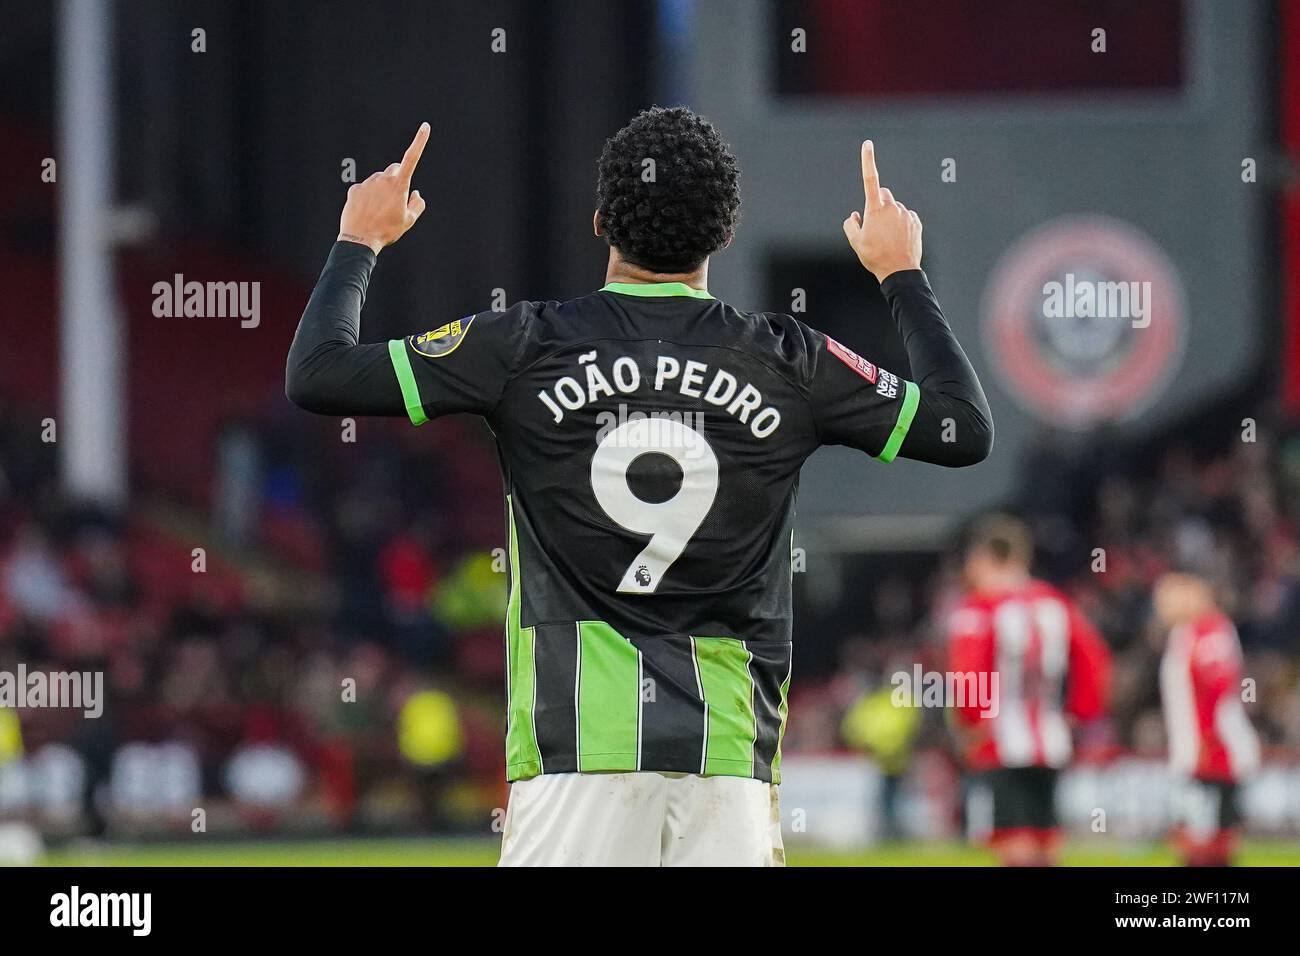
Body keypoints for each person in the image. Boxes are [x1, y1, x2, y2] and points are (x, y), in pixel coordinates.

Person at [285, 106, 993, 866]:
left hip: (574, 762)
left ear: (600, 221)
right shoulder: (789, 361)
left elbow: (319, 375)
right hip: (725, 765)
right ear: (725, 232)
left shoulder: (523, 345)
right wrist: (901, 275)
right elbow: (962, 427)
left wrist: (359, 240)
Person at [947, 515, 1110, 866]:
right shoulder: (1054, 602)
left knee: (1013, 838)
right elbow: (1095, 660)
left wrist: (971, 722)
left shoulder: (979, 607)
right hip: (1050, 740)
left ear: (987, 557)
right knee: (1045, 837)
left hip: (1002, 742)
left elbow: (968, 674)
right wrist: (1078, 714)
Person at [1154, 572, 1260, 866]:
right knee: (1198, 841)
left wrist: (1207, 741)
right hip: (1199, 754)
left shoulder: (1209, 631)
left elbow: (1217, 684)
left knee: (1205, 844)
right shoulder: (1188, 633)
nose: (1161, 606)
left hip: (1212, 756)